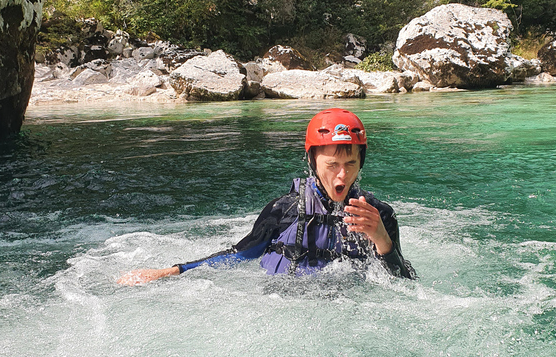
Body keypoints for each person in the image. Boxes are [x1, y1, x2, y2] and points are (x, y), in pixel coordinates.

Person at [117, 108, 415, 285]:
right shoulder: (283, 210)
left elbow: (407, 283)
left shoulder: (380, 215)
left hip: (352, 311)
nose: (342, 175)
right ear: (312, 162)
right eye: (332, 165)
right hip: (288, 306)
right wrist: (171, 271)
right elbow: (240, 254)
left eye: (351, 164)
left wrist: (382, 240)